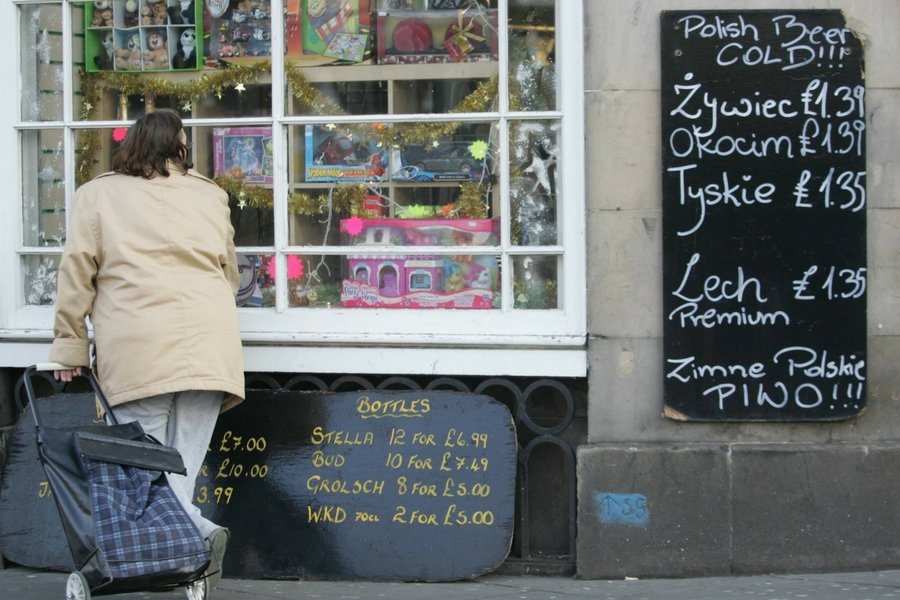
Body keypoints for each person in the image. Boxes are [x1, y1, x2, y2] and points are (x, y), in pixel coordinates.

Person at [49, 108, 244, 593]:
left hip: (136, 348)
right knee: (179, 464)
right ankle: (194, 546)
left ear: (130, 143)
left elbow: (77, 272)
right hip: (210, 344)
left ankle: (190, 541)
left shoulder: (96, 194)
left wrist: (71, 346)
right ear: (180, 146)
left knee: (145, 469)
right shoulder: (210, 195)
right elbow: (230, 274)